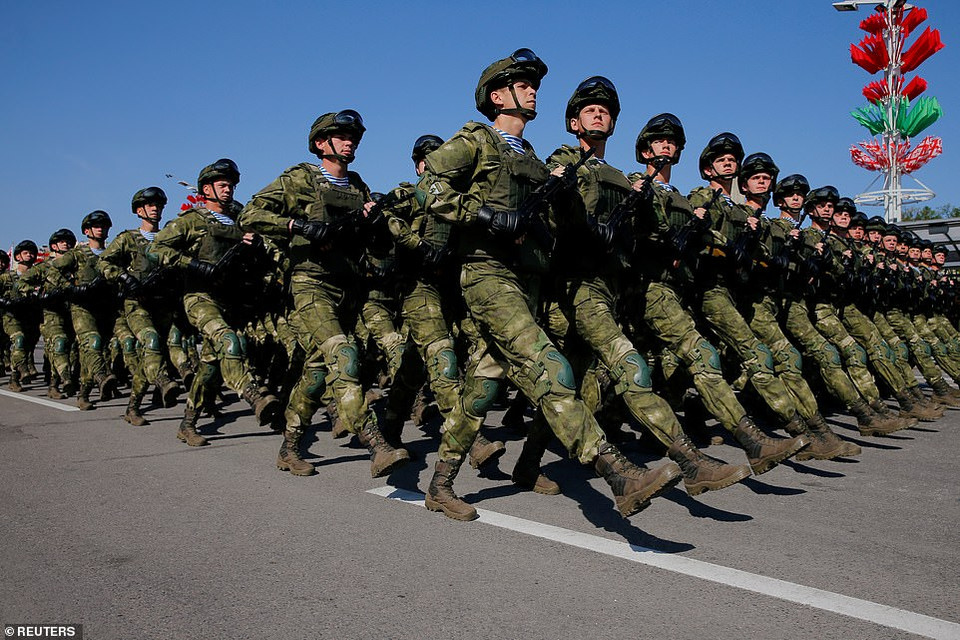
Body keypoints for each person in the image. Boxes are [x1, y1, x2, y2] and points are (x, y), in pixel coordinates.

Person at [416, 49, 683, 521]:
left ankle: (440, 484)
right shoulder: (475, 140)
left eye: (534, 85)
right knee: (551, 368)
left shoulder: (534, 158)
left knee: (482, 388)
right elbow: (430, 186)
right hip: (487, 274)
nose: (533, 91)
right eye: (522, 84)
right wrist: (486, 215)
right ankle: (616, 472)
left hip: (528, 282)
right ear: (498, 96)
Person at [547, 77, 751, 494]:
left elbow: (653, 235)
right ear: (573, 122)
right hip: (576, 284)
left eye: (606, 111)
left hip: (613, 287)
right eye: (590, 110)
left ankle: (531, 461)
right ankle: (689, 461)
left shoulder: (625, 182)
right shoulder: (563, 161)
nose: (599, 114)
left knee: (573, 378)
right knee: (629, 367)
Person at [629, 116, 808, 473]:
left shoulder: (686, 200)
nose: (666, 145)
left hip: (688, 287)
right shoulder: (670, 192)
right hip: (656, 287)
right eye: (659, 140)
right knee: (678, 359)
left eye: (672, 141)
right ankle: (783, 431)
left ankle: (666, 424)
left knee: (674, 363)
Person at [239, 112, 410, 479]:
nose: (350, 142)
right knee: (342, 353)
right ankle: (375, 443)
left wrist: (374, 222)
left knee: (317, 372)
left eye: (354, 138)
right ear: (320, 143)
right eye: (341, 136)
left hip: (348, 287)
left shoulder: (358, 186)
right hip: (311, 283)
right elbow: (250, 214)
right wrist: (296, 225)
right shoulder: (300, 178)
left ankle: (289, 446)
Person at [150, 159, 281, 445]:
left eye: (231, 185)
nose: (228, 189)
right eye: (222, 185)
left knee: (210, 366)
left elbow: (265, 248)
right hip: (199, 296)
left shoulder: (240, 220)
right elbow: (156, 249)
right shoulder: (192, 220)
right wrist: (194, 265)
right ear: (206, 189)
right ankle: (253, 395)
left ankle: (188, 423)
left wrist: (257, 246)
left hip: (230, 298)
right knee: (229, 341)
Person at [99, 187, 183, 425]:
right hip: (137, 303)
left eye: (158, 205)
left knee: (156, 351)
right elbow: (104, 262)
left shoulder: (168, 236)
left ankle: (133, 407)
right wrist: (124, 277)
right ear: (139, 211)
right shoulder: (127, 238)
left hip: (163, 303)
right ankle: (163, 380)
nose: (155, 208)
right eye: (149, 205)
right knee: (151, 341)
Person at [46, 213, 121, 409]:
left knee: (98, 350)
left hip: (105, 308)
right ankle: (102, 376)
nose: (100, 229)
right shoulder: (77, 254)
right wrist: (71, 288)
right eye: (96, 226)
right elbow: (52, 272)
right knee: (92, 342)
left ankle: (84, 392)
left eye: (103, 225)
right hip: (82, 308)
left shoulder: (112, 254)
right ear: (87, 231)